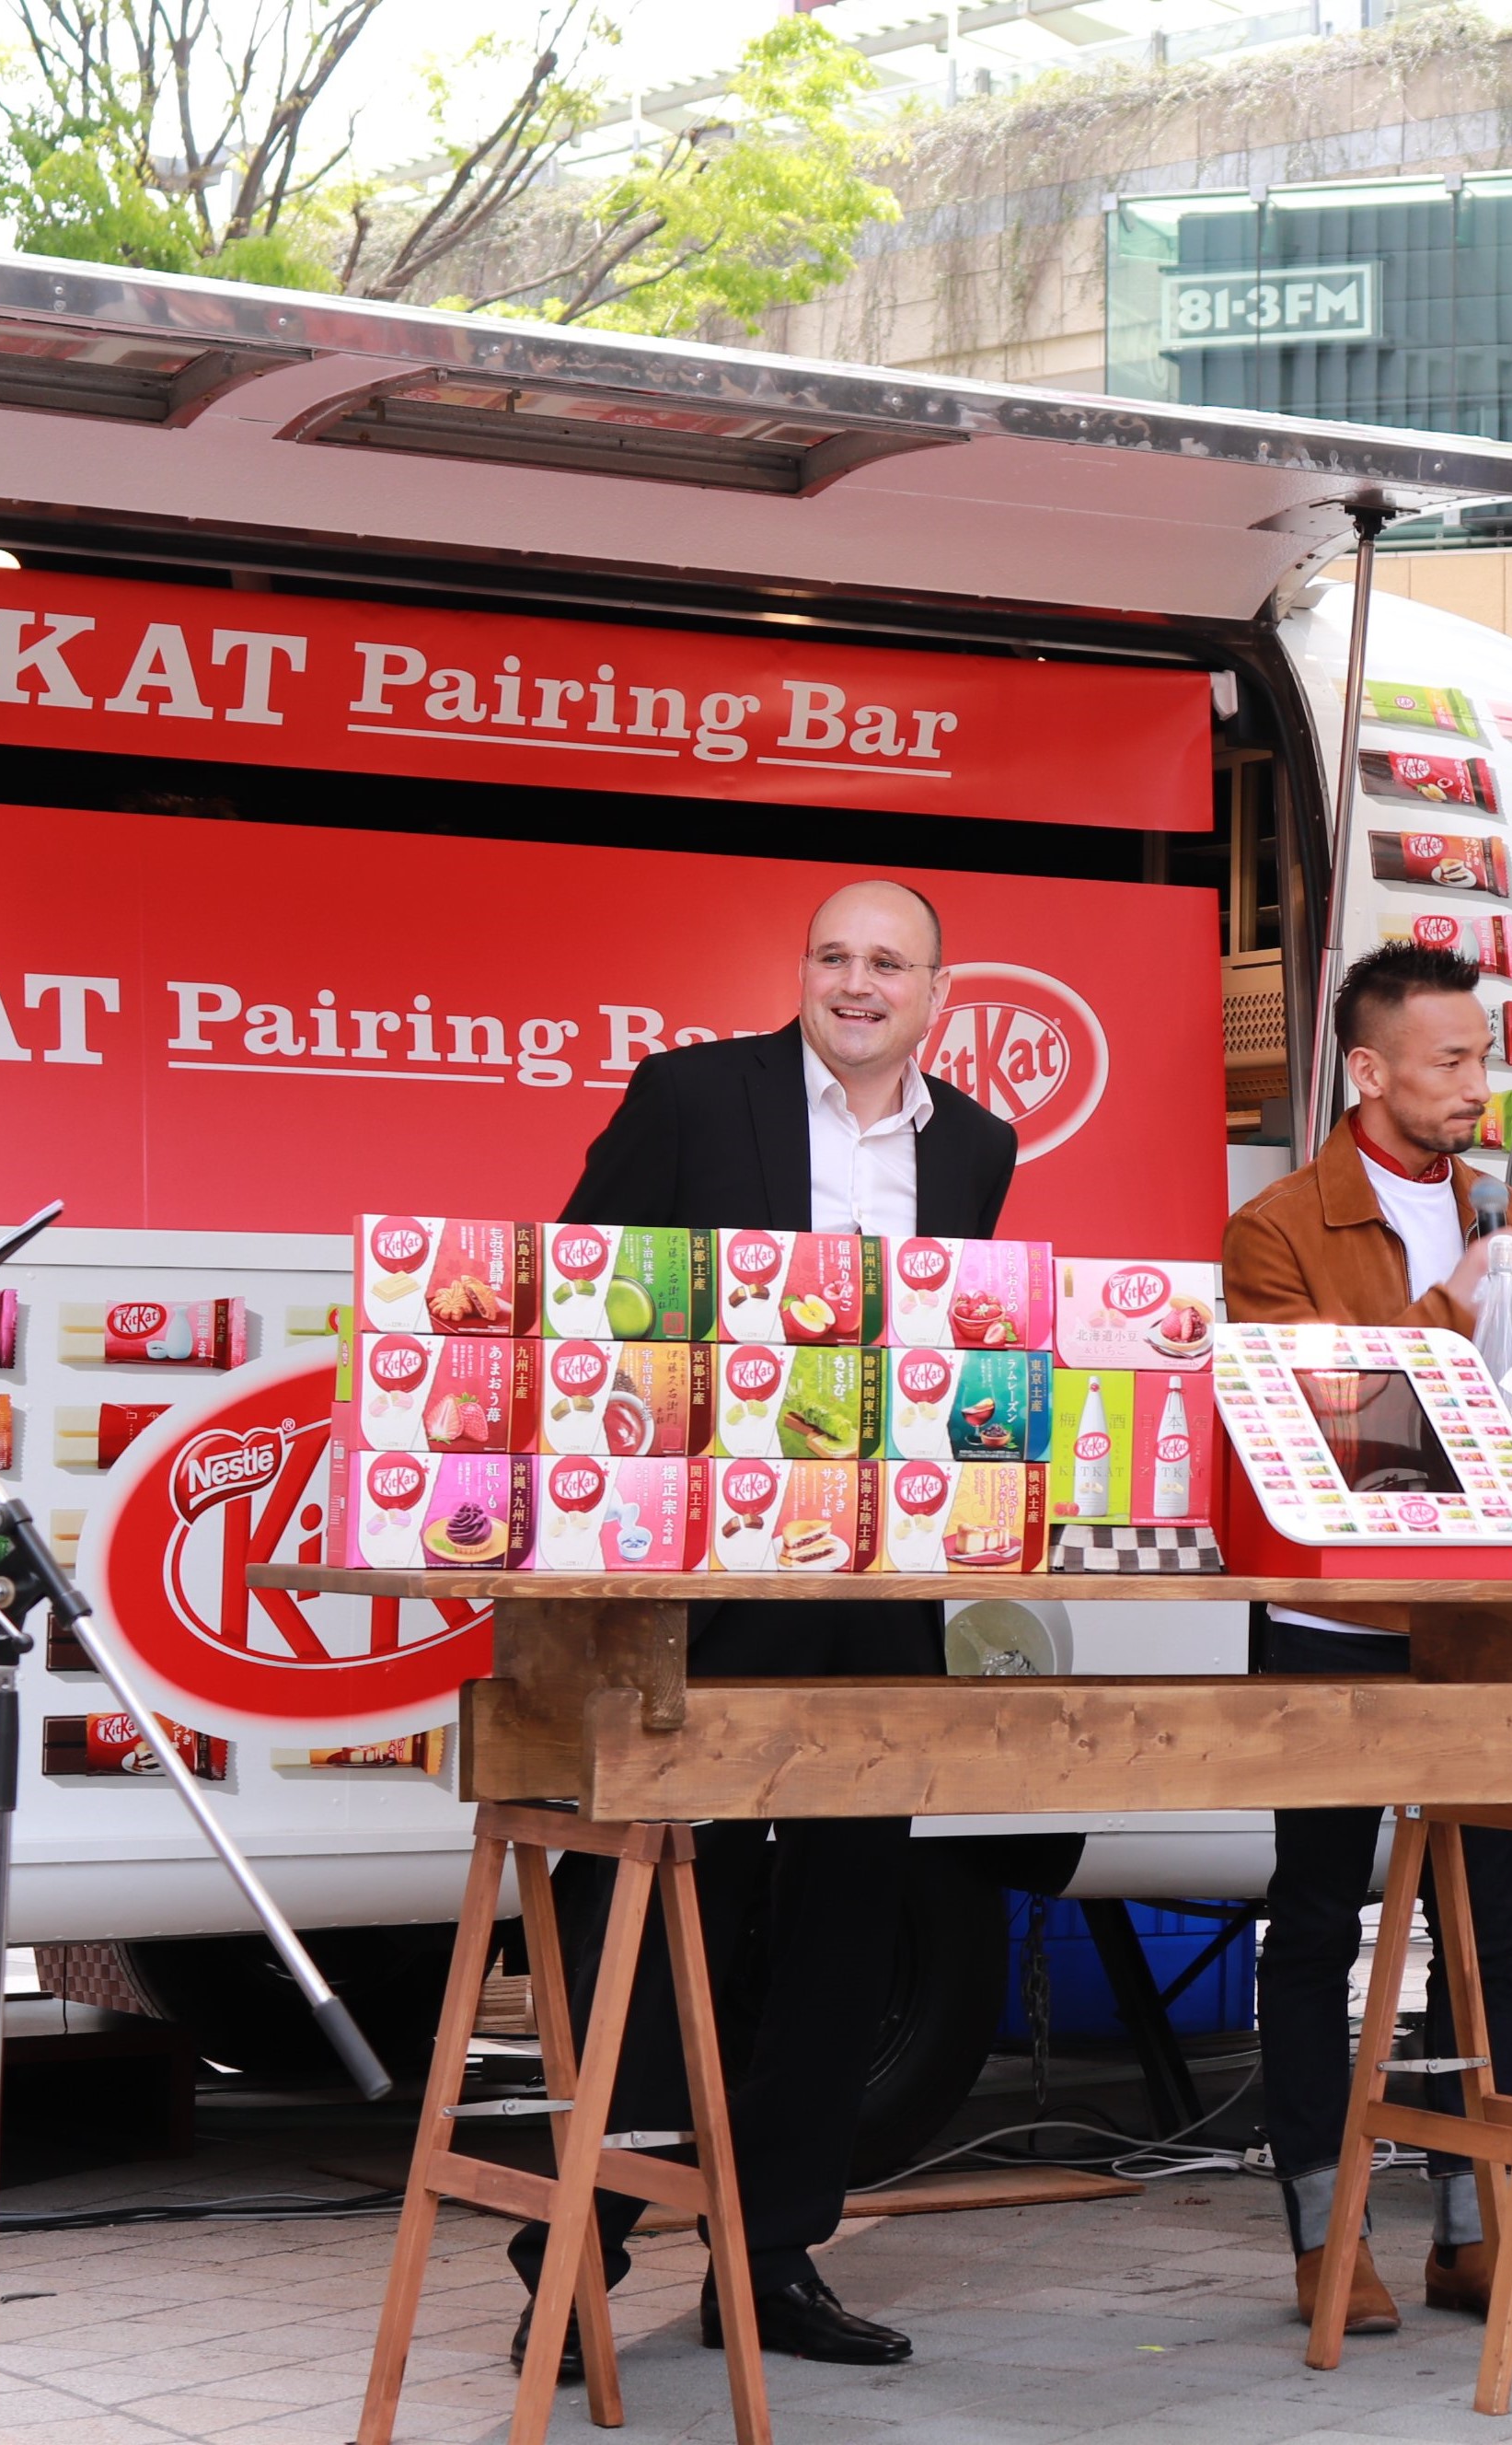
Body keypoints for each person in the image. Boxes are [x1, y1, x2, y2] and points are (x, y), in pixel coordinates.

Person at [508, 878, 1018, 2373]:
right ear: (804, 970)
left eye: (889, 964)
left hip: (884, 1578)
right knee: (677, 1889)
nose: (857, 985)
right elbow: (578, 1297)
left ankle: (775, 2250)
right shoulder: (690, 1095)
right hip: (707, 1576)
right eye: (834, 957)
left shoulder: (979, 1147)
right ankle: (585, 2226)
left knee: (853, 1907)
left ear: (937, 990)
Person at [1222, 938, 1512, 2337]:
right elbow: (1335, 1421)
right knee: (1314, 1912)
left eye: (1486, 1057)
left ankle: (1474, 2228)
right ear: (1368, 1073)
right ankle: (1326, 2232)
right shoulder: (1278, 1227)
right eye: (1452, 1061)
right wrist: (1455, 1296)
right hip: (1330, 1617)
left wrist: (1497, 1280)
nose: (1480, 1084)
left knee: (1483, 1921)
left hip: (1477, 1622)